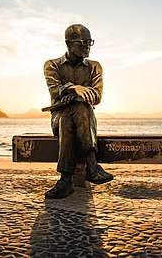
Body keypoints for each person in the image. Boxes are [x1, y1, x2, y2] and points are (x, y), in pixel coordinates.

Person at [43, 24, 113, 199]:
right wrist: (77, 88)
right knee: (66, 118)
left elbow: (96, 97)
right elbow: (54, 91)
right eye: (83, 42)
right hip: (57, 117)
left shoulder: (95, 67)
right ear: (68, 44)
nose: (87, 46)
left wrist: (72, 95)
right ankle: (92, 165)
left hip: (84, 119)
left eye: (90, 42)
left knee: (75, 114)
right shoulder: (52, 65)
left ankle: (65, 181)